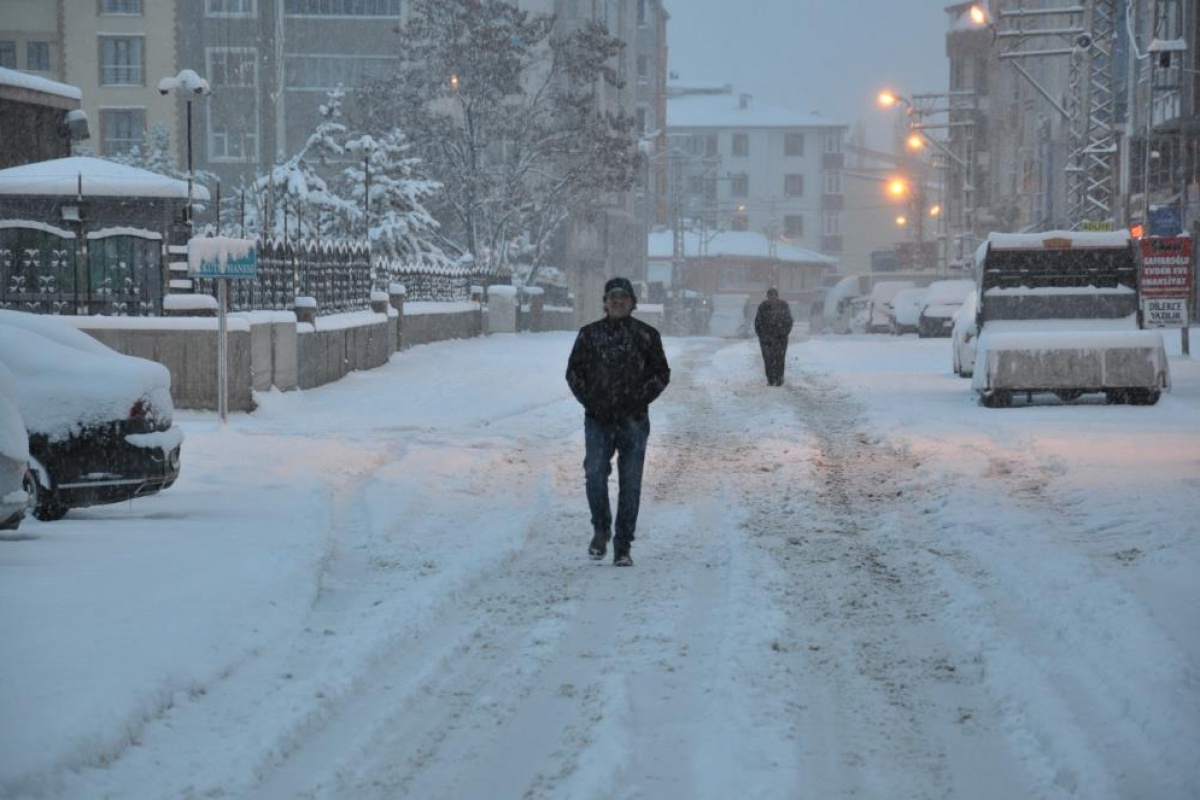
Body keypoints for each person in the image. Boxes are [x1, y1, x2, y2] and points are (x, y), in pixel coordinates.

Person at [565, 277, 671, 567]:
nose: (618, 301)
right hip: (598, 419)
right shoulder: (589, 335)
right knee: (595, 473)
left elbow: (661, 374)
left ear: (633, 303)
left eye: (624, 297)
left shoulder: (646, 336)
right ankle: (601, 529)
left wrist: (639, 400)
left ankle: (623, 545)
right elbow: (573, 373)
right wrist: (591, 400)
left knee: (631, 482)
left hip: (633, 420)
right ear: (605, 301)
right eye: (613, 296)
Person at [754, 288, 794, 386]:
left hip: (780, 338)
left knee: (780, 358)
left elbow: (789, 321)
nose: (772, 298)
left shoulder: (783, 306)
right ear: (767, 297)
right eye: (770, 296)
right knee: (768, 359)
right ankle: (771, 379)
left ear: (777, 296)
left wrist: (784, 333)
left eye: (774, 296)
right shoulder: (763, 307)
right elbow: (758, 322)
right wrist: (762, 335)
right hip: (766, 339)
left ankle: (779, 378)